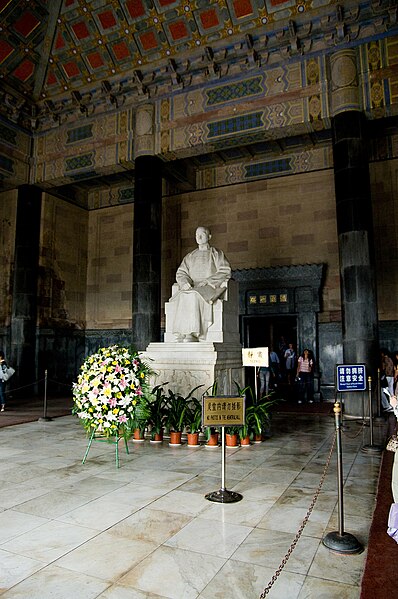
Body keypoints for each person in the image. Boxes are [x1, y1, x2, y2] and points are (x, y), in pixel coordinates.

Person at [170, 226, 231, 342]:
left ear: (209, 237)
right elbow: (181, 272)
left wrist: (208, 281)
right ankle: (182, 333)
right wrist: (185, 283)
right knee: (184, 294)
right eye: (197, 234)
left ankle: (193, 333)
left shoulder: (216, 253)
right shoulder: (190, 256)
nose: (199, 237)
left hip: (210, 287)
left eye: (202, 234)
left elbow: (225, 270)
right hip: (193, 286)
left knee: (194, 295)